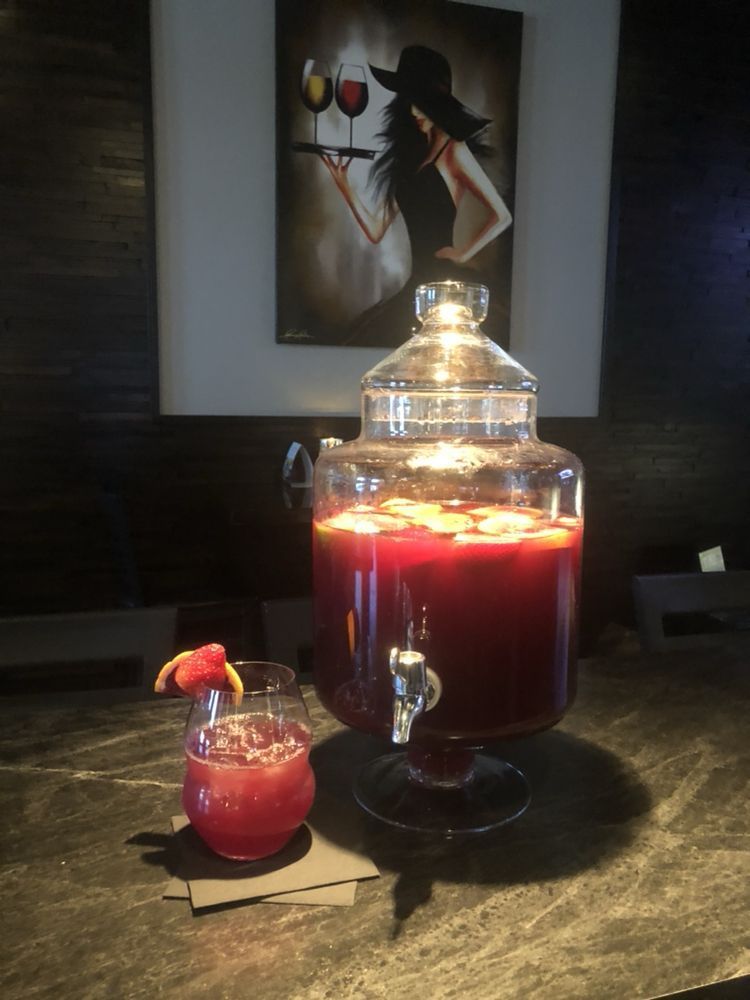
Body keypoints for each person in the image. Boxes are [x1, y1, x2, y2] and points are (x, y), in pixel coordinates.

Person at [320, 45, 512, 346]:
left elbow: (502, 215)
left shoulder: (454, 152)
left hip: (447, 291)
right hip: (417, 287)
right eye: (410, 102)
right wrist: (345, 186)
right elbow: (375, 230)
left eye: (421, 103)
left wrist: (463, 253)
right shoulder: (410, 160)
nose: (413, 112)